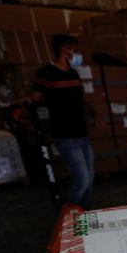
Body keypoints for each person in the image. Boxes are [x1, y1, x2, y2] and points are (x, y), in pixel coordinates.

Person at [31, 34, 94, 210]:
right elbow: (34, 97)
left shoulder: (73, 73)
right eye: (75, 50)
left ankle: (87, 215)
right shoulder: (46, 74)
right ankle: (67, 215)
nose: (78, 54)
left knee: (89, 180)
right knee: (82, 179)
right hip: (65, 135)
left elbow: (81, 99)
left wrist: (96, 116)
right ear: (64, 50)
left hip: (81, 133)